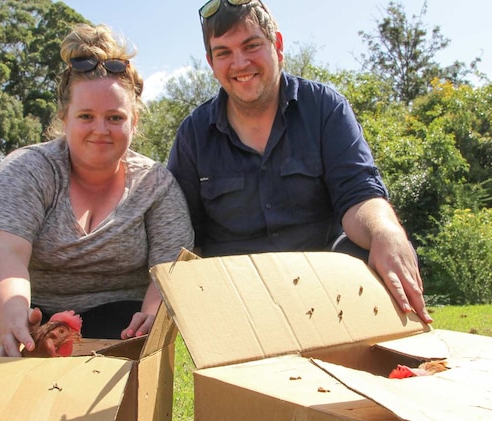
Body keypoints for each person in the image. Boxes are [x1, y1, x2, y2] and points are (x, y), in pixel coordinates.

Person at [167, 0, 431, 324]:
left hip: (327, 294)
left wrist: (385, 231)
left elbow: (358, 193)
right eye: (223, 52)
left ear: (277, 46)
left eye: (252, 46)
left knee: (373, 245)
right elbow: (181, 236)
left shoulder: (324, 108)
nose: (240, 63)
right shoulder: (193, 134)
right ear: (211, 61)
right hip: (239, 302)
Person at [0, 23, 194, 356]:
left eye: (114, 117)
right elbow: (3, 254)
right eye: (86, 116)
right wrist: (12, 316)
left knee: (124, 358)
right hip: (21, 301)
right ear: (64, 118)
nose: (100, 130)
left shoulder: (156, 184)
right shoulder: (23, 172)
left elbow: (170, 267)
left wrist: (152, 313)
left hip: (116, 308)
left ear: (133, 122)